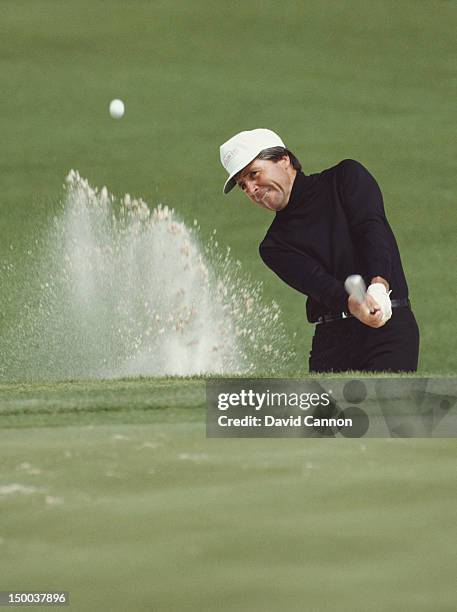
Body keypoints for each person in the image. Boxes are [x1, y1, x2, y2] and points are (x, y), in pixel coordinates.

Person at [219, 128, 420, 373]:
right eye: (243, 185)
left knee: (386, 410)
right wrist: (354, 304)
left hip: (389, 329)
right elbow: (319, 284)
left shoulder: (346, 177)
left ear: (283, 160)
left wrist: (379, 287)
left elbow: (373, 231)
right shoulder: (273, 245)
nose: (251, 189)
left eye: (254, 174)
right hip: (332, 343)